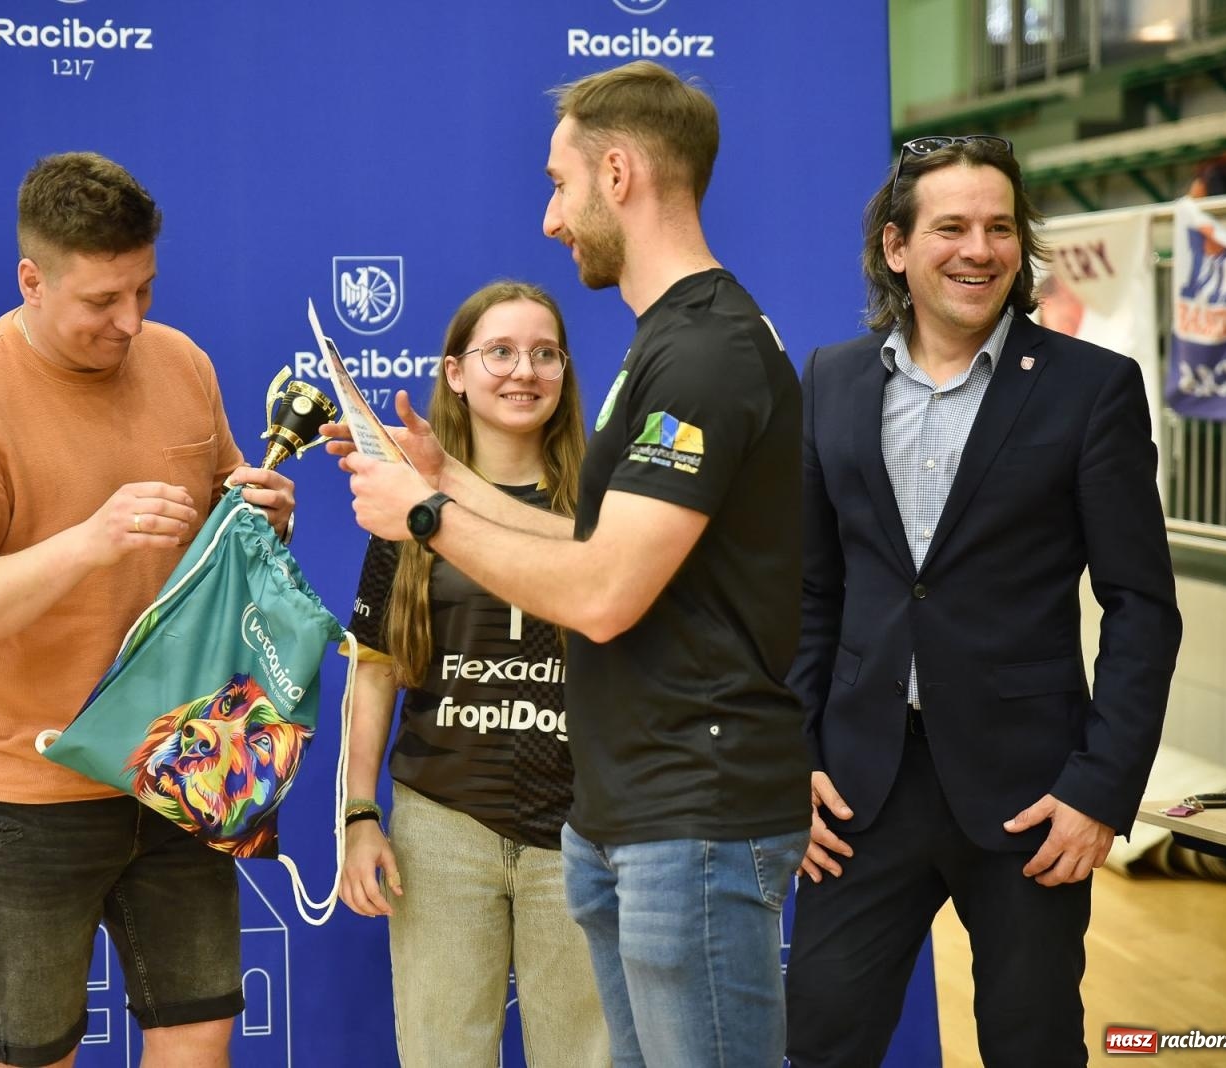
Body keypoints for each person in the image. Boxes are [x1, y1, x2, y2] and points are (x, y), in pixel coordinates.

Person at [327, 61, 810, 1067]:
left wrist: (422, 516)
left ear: (620, 172)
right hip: (633, 815)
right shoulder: (664, 343)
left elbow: (601, 594)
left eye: (559, 182)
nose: (551, 218)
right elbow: (602, 547)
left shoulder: (704, 353)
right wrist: (451, 490)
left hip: (696, 812)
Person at [783, 135, 1183, 1067]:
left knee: (1033, 1046)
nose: (980, 249)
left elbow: (1141, 607)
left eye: (1001, 227)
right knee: (817, 1041)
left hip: (1031, 800)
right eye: (952, 227)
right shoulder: (832, 382)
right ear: (896, 247)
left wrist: (1100, 788)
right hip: (859, 795)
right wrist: (790, 757)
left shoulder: (1092, 391)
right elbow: (812, 592)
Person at [0, 151, 293, 1068]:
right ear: (32, 280)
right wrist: (87, 542)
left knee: (198, 1036)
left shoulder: (182, 361)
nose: (133, 321)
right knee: (35, 1055)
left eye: (145, 289)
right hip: (27, 792)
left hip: (183, 761)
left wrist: (265, 517)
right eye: (103, 302)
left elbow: (218, 541)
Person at [336, 280, 607, 1067]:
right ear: (455, 371)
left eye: (544, 353)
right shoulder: (405, 498)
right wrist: (358, 816)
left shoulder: (606, 505)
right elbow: (376, 669)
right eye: (500, 351)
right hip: (442, 825)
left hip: (583, 825)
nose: (524, 371)